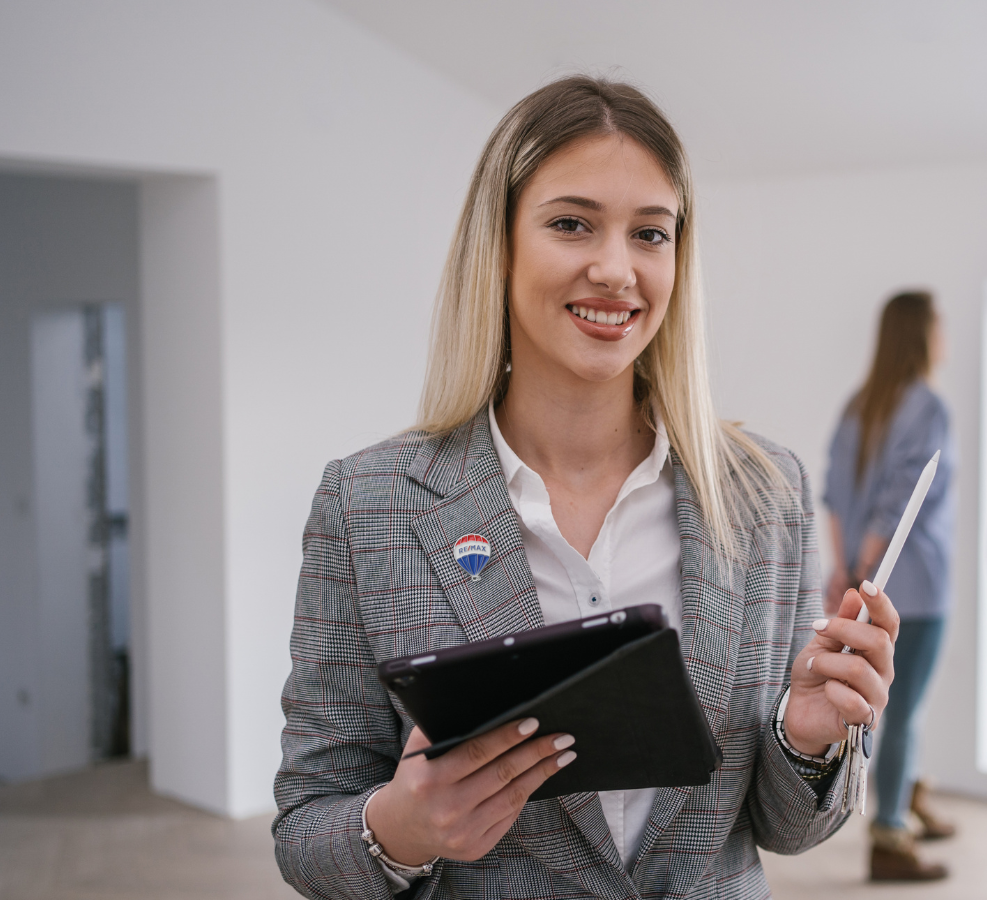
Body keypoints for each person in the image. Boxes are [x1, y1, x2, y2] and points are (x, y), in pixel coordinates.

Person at [272, 76, 902, 900]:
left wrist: (807, 737)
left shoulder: (764, 493)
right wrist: (402, 826)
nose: (615, 269)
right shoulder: (368, 504)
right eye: (571, 224)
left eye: (650, 233)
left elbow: (787, 829)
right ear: (500, 246)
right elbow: (305, 828)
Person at [822, 291, 958, 883]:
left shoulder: (859, 404)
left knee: (885, 708)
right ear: (923, 335)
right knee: (900, 712)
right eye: (940, 326)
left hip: (856, 579)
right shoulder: (929, 406)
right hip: (914, 587)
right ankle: (890, 832)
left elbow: (833, 493)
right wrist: (869, 567)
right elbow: (903, 500)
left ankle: (909, 792)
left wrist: (845, 570)